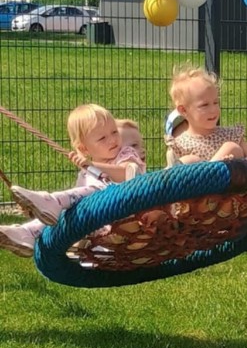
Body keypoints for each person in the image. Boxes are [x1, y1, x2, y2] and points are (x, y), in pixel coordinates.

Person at [0, 104, 145, 258]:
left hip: (126, 219)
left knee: (94, 192)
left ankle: (53, 201)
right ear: (84, 149)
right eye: (102, 138)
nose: (112, 140)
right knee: (65, 212)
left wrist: (92, 165)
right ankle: (27, 233)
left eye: (114, 132)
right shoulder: (86, 173)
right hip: (98, 227)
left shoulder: (126, 154)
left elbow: (128, 173)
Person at [165, 66, 247, 164]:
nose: (213, 109)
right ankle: (210, 169)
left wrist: (235, 163)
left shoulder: (230, 135)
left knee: (231, 147)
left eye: (215, 102)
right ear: (184, 110)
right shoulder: (180, 145)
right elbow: (171, 172)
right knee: (189, 160)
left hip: (231, 173)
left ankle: (214, 167)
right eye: (204, 105)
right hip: (197, 174)